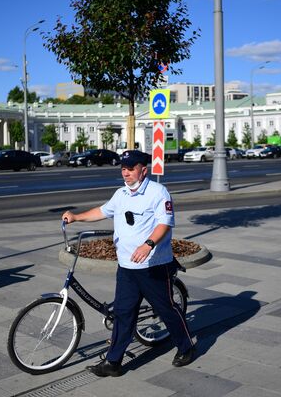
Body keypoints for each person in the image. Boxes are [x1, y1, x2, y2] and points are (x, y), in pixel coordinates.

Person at [62, 149, 195, 377]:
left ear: (143, 170)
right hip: (126, 267)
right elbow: (102, 211)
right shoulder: (121, 194)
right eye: (123, 169)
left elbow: (165, 224)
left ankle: (186, 347)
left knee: (166, 309)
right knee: (124, 313)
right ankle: (113, 362)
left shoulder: (158, 192)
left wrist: (148, 244)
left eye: (131, 169)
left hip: (152, 266)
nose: (126, 173)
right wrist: (77, 217)